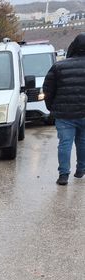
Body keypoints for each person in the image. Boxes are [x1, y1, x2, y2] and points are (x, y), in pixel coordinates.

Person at [43, 33, 85, 186]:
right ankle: (81, 169)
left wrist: (51, 108)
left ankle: (63, 175)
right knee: (83, 142)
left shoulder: (59, 66)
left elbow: (47, 90)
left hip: (64, 114)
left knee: (65, 143)